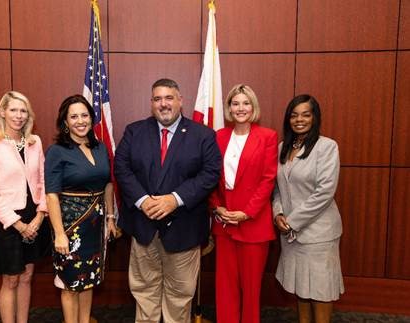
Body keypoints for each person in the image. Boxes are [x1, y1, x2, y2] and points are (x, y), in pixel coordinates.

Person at [114, 78, 221, 323]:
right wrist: (142, 200)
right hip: (144, 228)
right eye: (157, 99)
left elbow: (210, 173)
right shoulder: (134, 131)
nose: (163, 104)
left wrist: (175, 199)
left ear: (180, 101)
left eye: (169, 98)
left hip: (184, 229)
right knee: (144, 292)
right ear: (151, 103)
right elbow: (121, 168)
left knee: (179, 296)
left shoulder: (202, 135)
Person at [0, 91, 51, 323]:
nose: (19, 116)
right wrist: (19, 225)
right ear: (2, 112)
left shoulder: (34, 141)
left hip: (35, 217)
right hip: (8, 221)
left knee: (27, 276)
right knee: (11, 279)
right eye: (13, 110)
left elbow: (44, 181)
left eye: (23, 111)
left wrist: (40, 216)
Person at [44, 94, 117, 323]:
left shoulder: (100, 148)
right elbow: (51, 196)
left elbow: (107, 184)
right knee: (70, 283)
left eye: (84, 115)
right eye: (73, 116)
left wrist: (111, 218)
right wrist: (59, 234)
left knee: (89, 280)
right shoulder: (57, 151)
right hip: (70, 228)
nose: (80, 121)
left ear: (91, 118)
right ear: (65, 122)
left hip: (95, 228)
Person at [273, 95, 344, 323]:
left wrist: (292, 221)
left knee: (320, 291)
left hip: (318, 235)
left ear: (315, 117)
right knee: (301, 288)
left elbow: (324, 192)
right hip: (291, 236)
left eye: (305, 114)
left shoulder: (327, 147)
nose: (299, 120)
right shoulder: (282, 148)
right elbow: (276, 189)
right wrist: (278, 214)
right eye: (294, 115)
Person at [209, 84, 278, 323]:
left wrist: (246, 213)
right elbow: (210, 177)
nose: (240, 108)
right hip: (224, 222)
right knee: (225, 287)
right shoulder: (219, 136)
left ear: (253, 107)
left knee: (251, 289)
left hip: (253, 224)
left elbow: (268, 179)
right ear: (229, 108)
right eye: (235, 103)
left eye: (245, 103)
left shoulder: (267, 137)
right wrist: (217, 207)